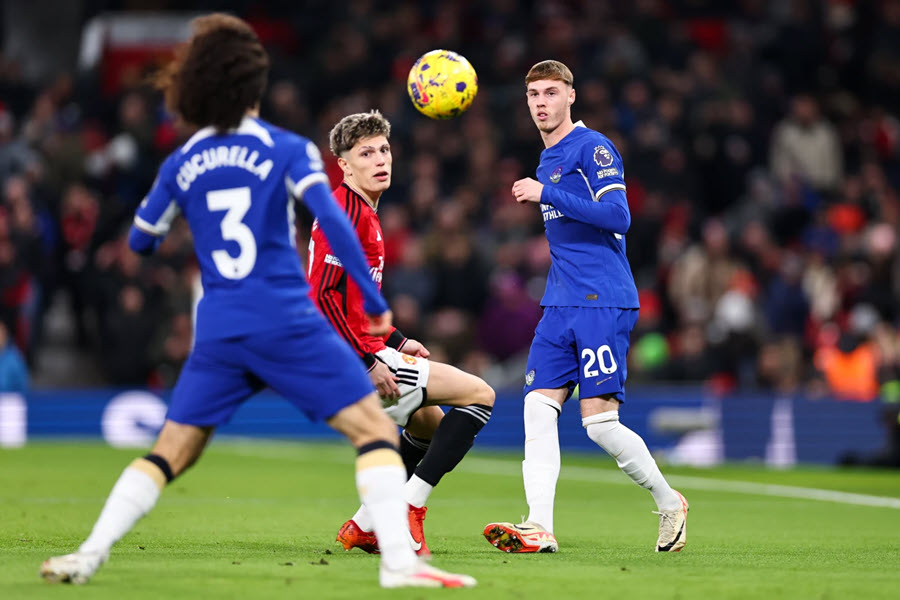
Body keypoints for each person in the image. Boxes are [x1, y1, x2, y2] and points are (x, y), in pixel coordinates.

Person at [39, 14, 474, 589]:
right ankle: (398, 564)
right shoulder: (285, 148)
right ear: (255, 86)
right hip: (284, 321)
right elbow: (333, 224)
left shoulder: (182, 160)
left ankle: (89, 553)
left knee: (171, 452)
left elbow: (141, 240)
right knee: (372, 431)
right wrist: (375, 301)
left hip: (218, 328)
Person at [482, 60, 689, 554]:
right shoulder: (546, 156)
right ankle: (540, 527)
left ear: (571, 96)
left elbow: (619, 216)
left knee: (599, 424)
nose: (540, 102)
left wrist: (546, 193)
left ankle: (669, 502)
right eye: (533, 94)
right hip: (559, 302)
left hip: (602, 298)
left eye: (550, 92)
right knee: (536, 407)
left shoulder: (593, 148)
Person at [308, 110, 495, 556]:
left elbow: (353, 303)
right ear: (344, 164)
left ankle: (365, 523)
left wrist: (395, 340)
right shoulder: (344, 214)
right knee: (480, 395)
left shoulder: (361, 212)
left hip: (359, 350)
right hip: (348, 360)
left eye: (384, 150)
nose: (380, 160)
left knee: (429, 423)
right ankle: (409, 508)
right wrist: (369, 362)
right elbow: (323, 298)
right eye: (366, 153)